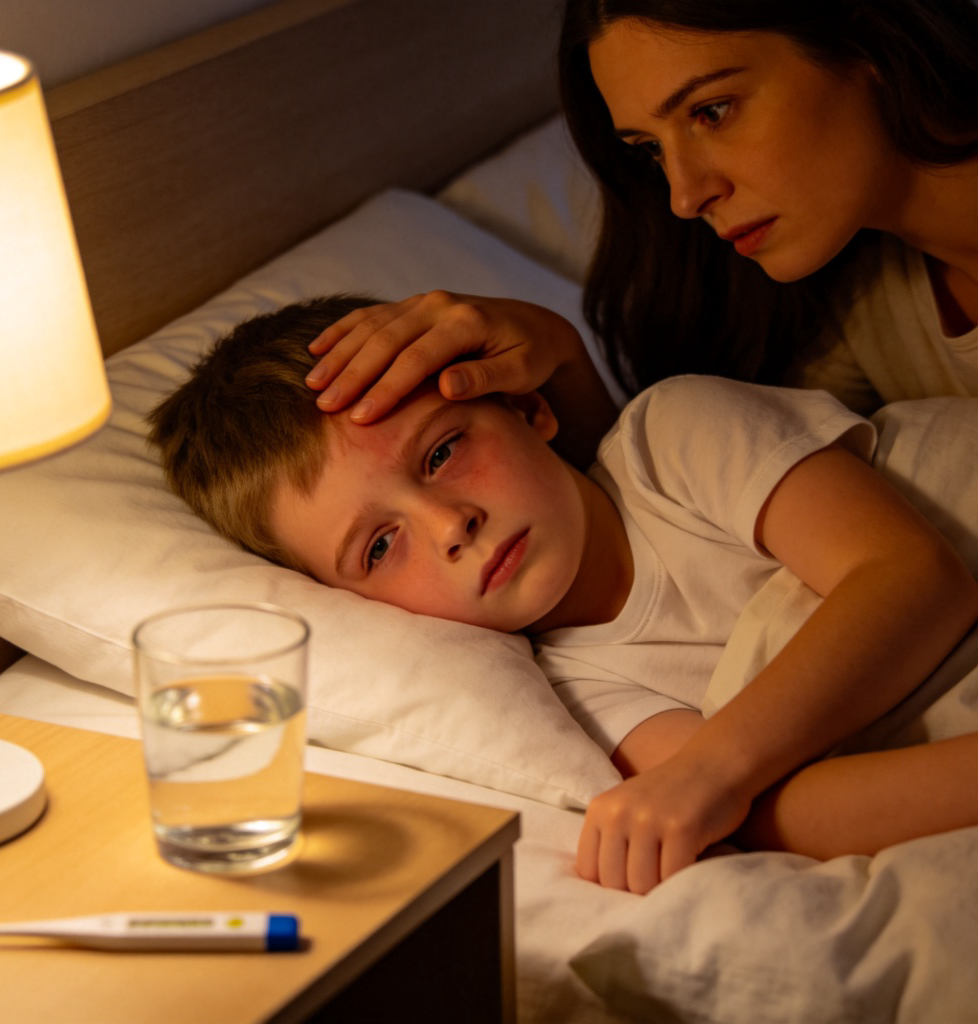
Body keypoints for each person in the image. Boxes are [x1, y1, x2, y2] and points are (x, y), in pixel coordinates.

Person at [148, 295, 978, 895]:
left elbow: (911, 578)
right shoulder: (576, 701)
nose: (449, 525)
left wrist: (714, 771)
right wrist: (711, 789)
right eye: (379, 545)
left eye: (440, 455)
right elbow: (772, 815)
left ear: (528, 407)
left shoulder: (672, 435)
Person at [302, 0, 978, 461]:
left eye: (712, 111)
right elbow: (735, 496)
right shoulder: (861, 309)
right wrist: (564, 363)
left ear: (866, 44)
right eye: (648, 149)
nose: (684, 196)